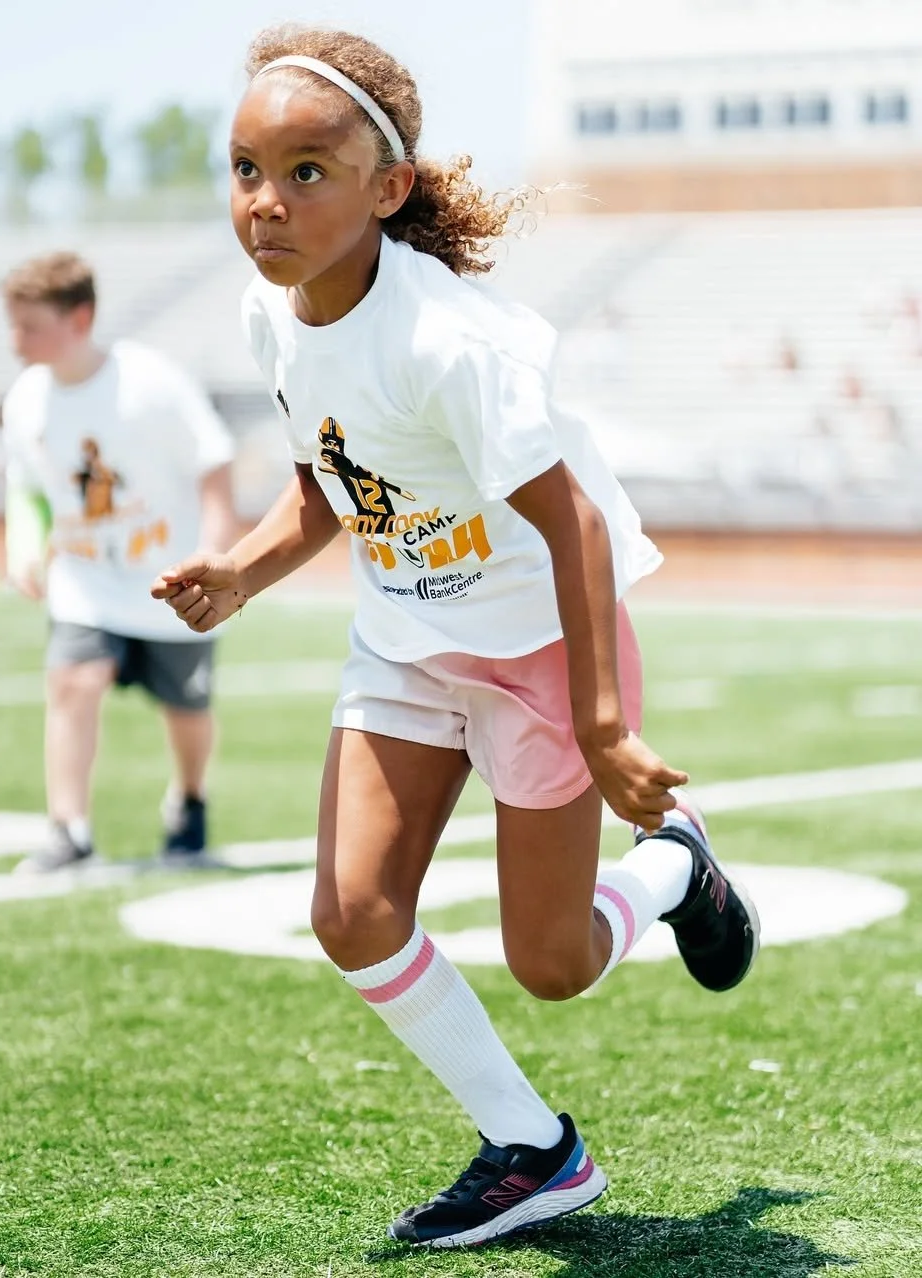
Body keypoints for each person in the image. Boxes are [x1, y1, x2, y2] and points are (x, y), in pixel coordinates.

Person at [153, 27, 760, 1249]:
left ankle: (674, 867)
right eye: (245, 169)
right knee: (352, 910)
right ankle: (535, 1149)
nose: (266, 204)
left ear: (389, 189)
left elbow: (573, 525)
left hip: (539, 646)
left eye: (307, 171)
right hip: (406, 643)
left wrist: (603, 729)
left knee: (554, 963)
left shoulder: (452, 343)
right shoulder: (274, 317)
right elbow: (333, 480)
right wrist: (243, 571)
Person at [1, 251, 237, 871]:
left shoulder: (149, 383)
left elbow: (213, 462)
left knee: (187, 709)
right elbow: (25, 486)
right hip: (86, 583)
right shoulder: (24, 401)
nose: (14, 340)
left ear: (80, 318)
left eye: (29, 325)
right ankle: (68, 830)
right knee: (72, 683)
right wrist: (23, 547)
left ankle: (189, 801)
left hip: (168, 581)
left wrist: (213, 554)